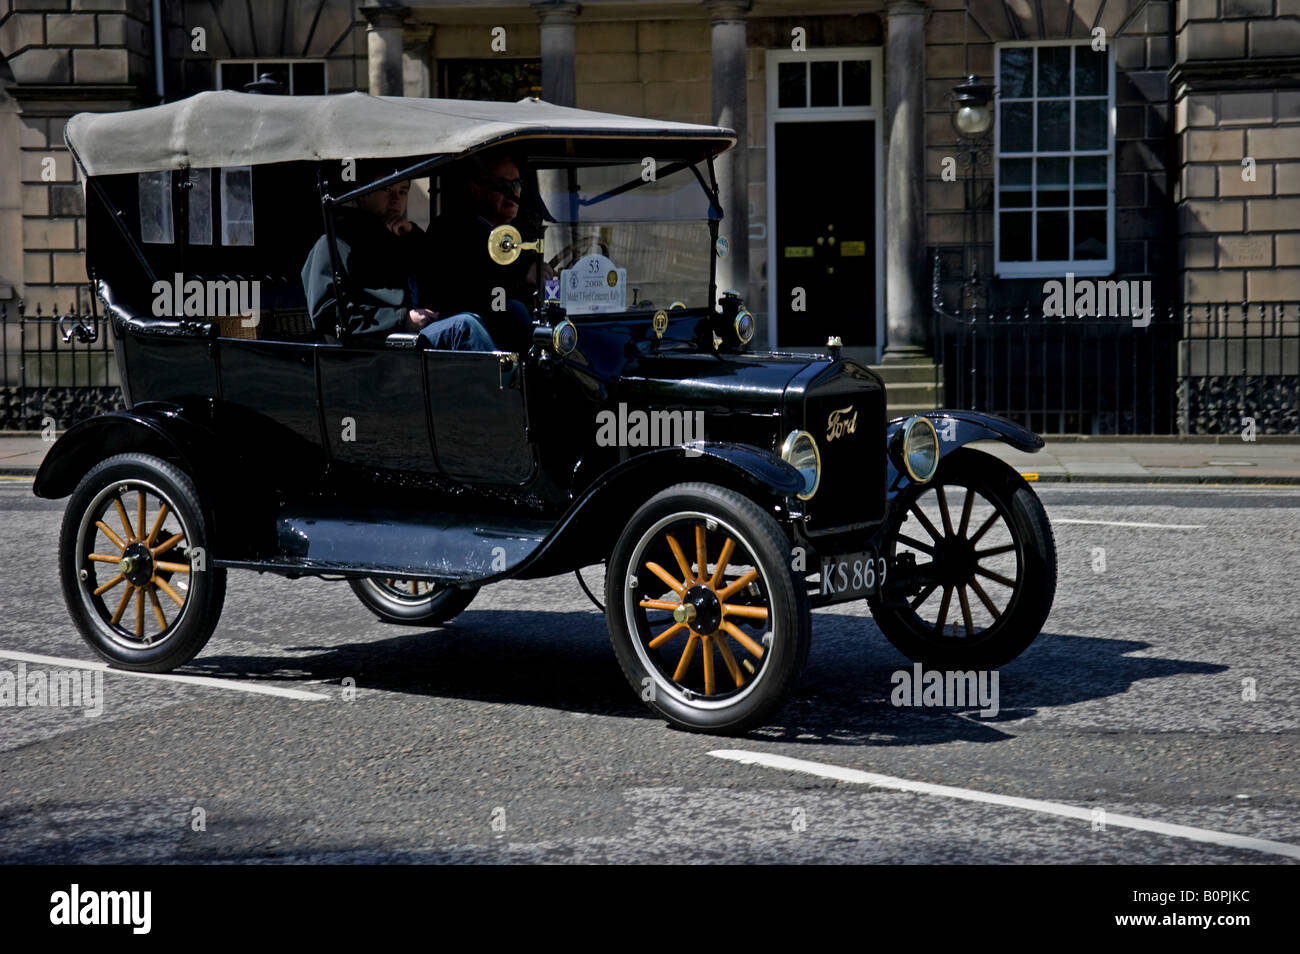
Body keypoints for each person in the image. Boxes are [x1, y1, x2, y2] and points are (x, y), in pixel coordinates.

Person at [301, 167, 495, 350]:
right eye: (386, 189)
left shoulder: (402, 239)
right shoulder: (334, 243)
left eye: (403, 191)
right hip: (375, 347)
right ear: (362, 194)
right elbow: (327, 315)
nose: (396, 199)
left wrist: (415, 237)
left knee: (506, 311)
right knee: (464, 327)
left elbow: (444, 279)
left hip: (415, 337)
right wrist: (402, 319)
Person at [428, 154, 553, 353]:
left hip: (518, 328)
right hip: (471, 334)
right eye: (502, 186)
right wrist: (522, 277)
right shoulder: (451, 231)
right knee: (515, 309)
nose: (512, 194)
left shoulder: (525, 233)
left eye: (516, 185)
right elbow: (465, 293)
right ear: (476, 189)